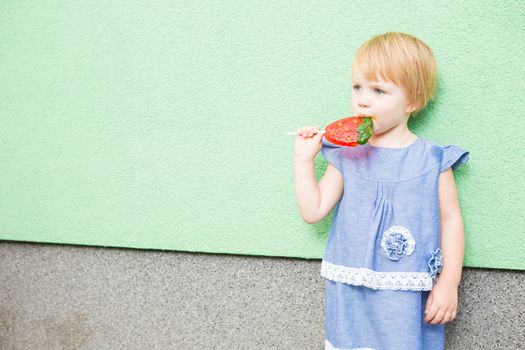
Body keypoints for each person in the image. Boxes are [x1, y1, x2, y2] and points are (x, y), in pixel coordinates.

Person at [294, 32, 470, 350]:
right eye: (357, 87)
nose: (363, 99)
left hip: (405, 294)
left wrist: (449, 282)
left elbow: (451, 221)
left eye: (378, 90)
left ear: (412, 101)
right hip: (351, 291)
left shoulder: (433, 160)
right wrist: (303, 160)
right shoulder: (348, 154)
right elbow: (313, 210)